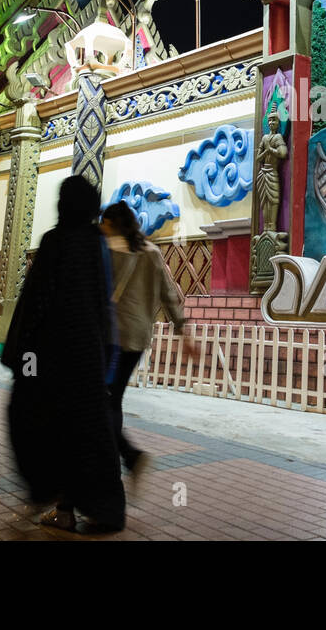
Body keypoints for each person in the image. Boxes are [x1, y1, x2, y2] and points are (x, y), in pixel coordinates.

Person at [2, 176, 125, 534]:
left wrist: (22, 357)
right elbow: (103, 303)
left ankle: (54, 500)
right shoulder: (96, 243)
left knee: (42, 426)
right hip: (87, 357)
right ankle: (100, 510)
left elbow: (36, 303)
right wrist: (105, 356)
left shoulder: (55, 242)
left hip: (50, 359)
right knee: (85, 434)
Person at [101, 200, 195, 488]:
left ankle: (128, 458)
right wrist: (182, 330)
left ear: (112, 224)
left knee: (106, 400)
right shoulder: (151, 252)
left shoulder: (108, 251)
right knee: (111, 398)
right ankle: (127, 458)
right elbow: (169, 293)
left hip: (112, 339)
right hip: (139, 338)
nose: (101, 228)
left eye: (104, 223)